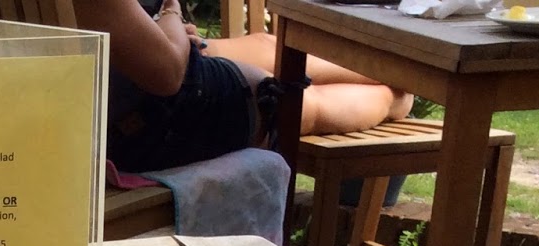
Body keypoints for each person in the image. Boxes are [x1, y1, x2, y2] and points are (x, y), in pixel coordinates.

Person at [75, 0, 413, 172]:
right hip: (138, 116)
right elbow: (166, 75)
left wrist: (165, 29)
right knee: (296, 98)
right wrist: (171, 14)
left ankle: (398, 76)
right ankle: (396, 98)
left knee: (267, 46)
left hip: (122, 73)